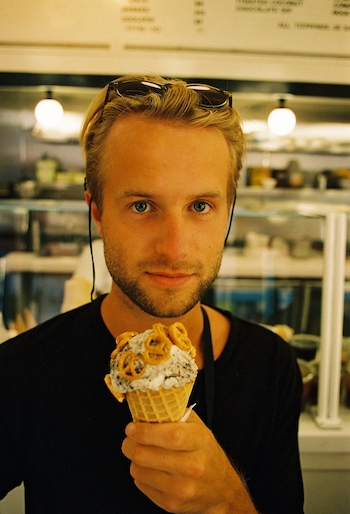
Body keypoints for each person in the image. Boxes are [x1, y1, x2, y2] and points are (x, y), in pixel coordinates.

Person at [0, 75, 304, 514]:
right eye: (142, 206)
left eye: (201, 206)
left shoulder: (271, 366)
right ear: (97, 213)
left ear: (228, 212)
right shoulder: (21, 372)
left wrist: (227, 500)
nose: (174, 248)